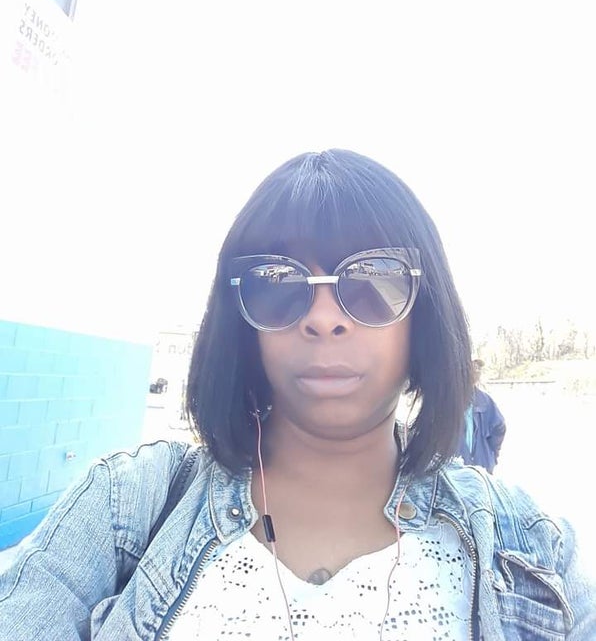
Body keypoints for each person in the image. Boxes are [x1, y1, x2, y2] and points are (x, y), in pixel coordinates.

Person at [0, 148, 594, 640]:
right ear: (241, 322)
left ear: (426, 314)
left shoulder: (534, 549)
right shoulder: (123, 507)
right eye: (277, 282)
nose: (324, 317)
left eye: (372, 278)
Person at [457, 359, 506, 473]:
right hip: (457, 471)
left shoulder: (485, 400)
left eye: (478, 368)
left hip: (480, 468)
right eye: (473, 367)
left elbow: (499, 428)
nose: (477, 370)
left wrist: (491, 454)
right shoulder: (448, 402)